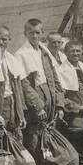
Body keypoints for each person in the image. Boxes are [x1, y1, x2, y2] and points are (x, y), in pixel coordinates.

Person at [16, 18, 63, 156]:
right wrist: (38, 105)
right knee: (35, 135)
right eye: (31, 33)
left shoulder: (44, 51)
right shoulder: (21, 54)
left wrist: (59, 104)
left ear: (42, 33)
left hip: (50, 95)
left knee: (50, 132)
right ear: (25, 33)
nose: (35, 36)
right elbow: (24, 84)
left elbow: (55, 79)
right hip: (36, 99)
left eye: (37, 32)